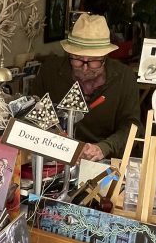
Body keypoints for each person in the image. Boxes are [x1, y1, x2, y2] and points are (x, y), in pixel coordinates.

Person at [31, 13, 140, 160]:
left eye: (94, 61)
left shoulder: (124, 77)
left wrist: (104, 147)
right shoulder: (50, 71)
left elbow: (132, 125)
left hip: (105, 157)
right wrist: (55, 135)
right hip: (56, 155)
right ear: (68, 53)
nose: (85, 68)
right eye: (77, 60)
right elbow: (35, 111)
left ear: (105, 57)